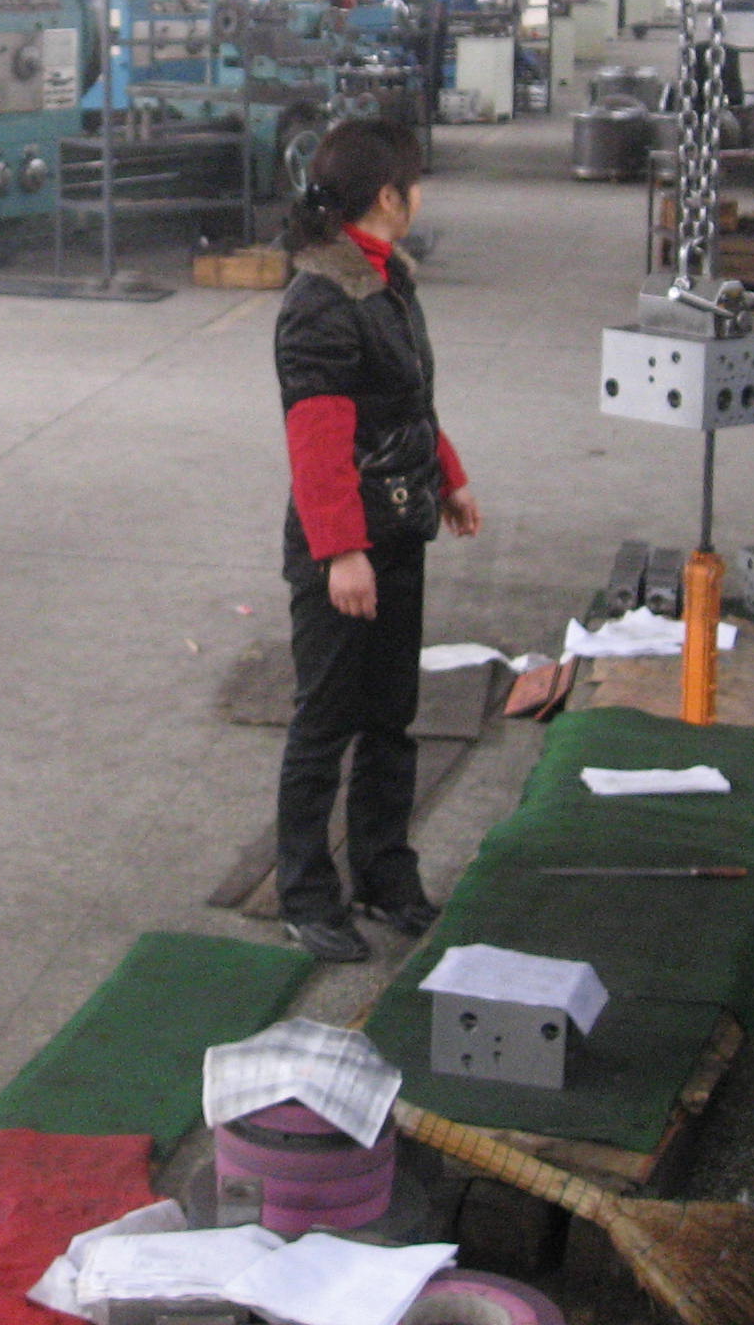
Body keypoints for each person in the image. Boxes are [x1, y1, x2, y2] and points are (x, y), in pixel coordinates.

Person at [271, 120, 482, 962]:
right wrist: (340, 552)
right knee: (326, 721)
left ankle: (385, 876)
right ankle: (305, 893)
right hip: (346, 547)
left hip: (397, 527)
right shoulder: (323, 298)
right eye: (414, 182)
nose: (420, 195)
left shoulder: (386, 275)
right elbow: (317, 442)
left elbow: (407, 401)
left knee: (392, 715)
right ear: (389, 197)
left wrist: (449, 476)